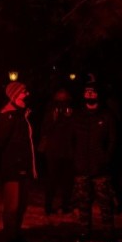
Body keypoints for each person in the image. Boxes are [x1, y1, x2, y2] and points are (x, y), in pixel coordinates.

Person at [0, 81, 39, 242]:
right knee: (12, 205)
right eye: (23, 92)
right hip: (11, 167)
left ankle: (16, 236)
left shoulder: (22, 115)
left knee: (22, 205)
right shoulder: (8, 116)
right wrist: (1, 165)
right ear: (14, 95)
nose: (26, 94)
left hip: (23, 165)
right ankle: (9, 239)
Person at [71, 78, 118, 242]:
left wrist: (106, 159)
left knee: (106, 206)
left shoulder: (107, 116)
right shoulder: (77, 116)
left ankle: (109, 238)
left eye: (93, 92)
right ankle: (83, 236)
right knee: (83, 205)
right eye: (87, 92)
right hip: (82, 169)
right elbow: (71, 140)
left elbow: (113, 142)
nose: (90, 95)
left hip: (101, 170)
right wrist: (75, 160)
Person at [38, 87, 75, 216]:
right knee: (53, 179)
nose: (62, 99)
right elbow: (45, 129)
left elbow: (74, 129)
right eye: (60, 96)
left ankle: (64, 205)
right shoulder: (51, 110)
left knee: (67, 180)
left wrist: (69, 118)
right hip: (54, 150)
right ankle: (49, 206)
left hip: (67, 150)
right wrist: (54, 120)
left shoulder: (71, 110)